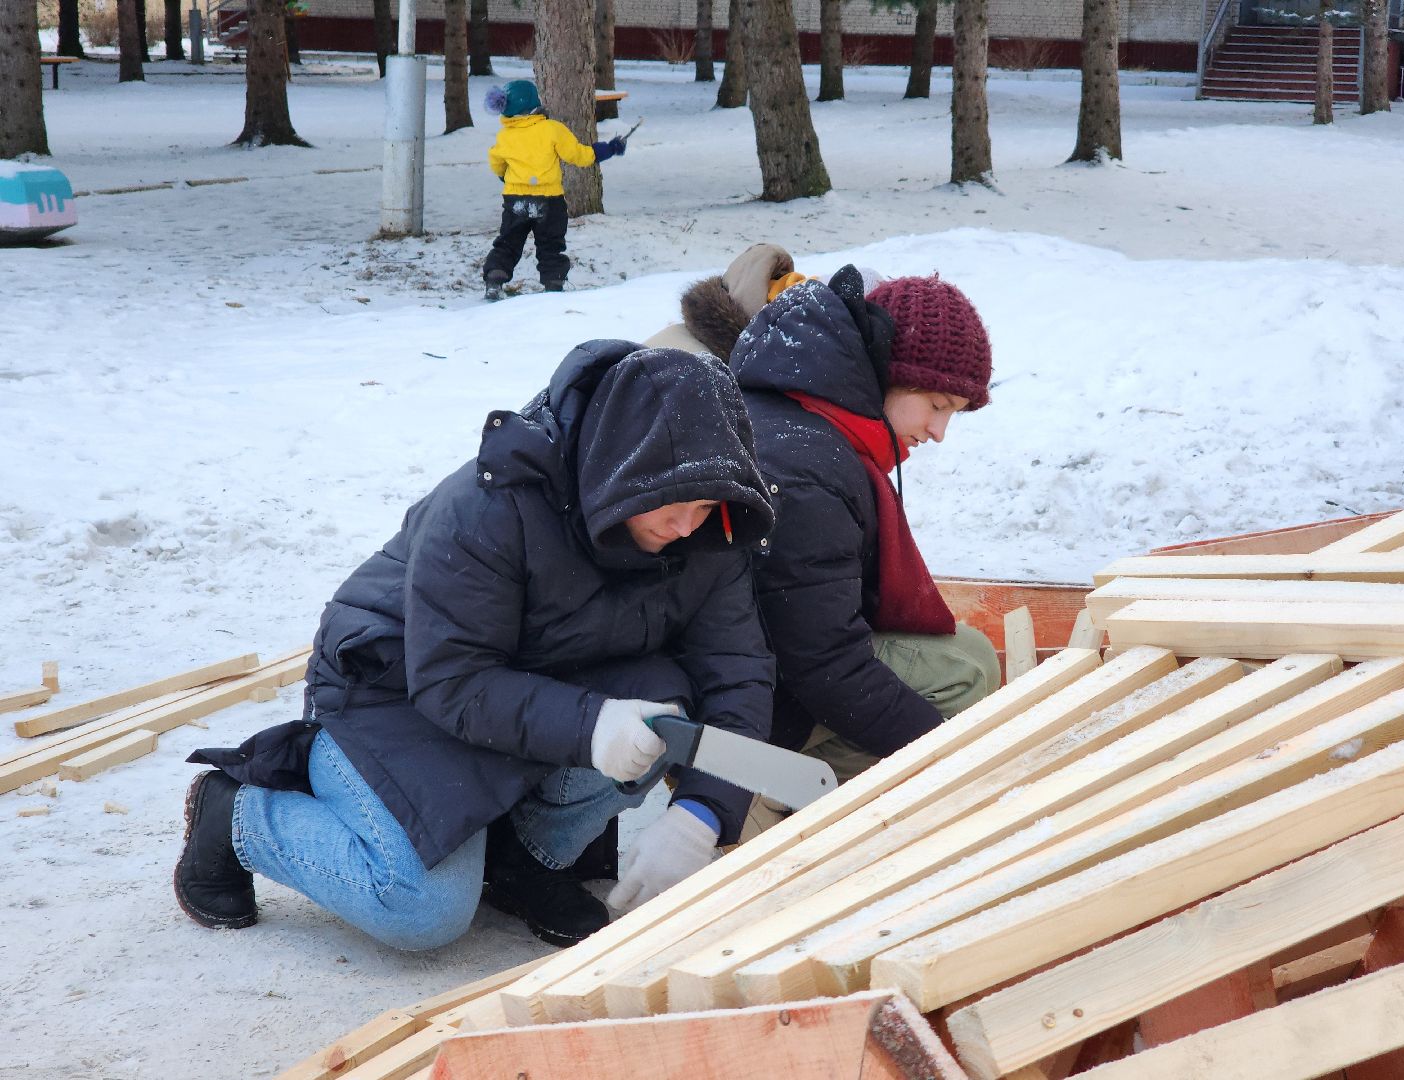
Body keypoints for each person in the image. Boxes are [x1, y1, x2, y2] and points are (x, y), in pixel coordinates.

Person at [173, 341, 777, 949]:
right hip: (397, 694)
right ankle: (238, 817)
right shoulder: (490, 508)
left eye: (704, 506)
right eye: (672, 504)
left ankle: (523, 859)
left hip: (542, 693)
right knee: (421, 911)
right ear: (623, 469)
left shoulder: (710, 534)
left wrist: (705, 812)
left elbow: (737, 670)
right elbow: (451, 679)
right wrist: (593, 726)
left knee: (662, 714)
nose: (686, 527)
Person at [654, 248, 1002, 838]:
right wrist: (952, 758)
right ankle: (781, 792)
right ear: (888, 374)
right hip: (749, 704)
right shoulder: (809, 468)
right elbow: (824, 668)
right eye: (938, 405)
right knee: (964, 676)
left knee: (967, 653)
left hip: (759, 669)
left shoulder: (807, 411)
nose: (940, 432)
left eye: (955, 415)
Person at [480, 79, 628, 301]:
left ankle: (495, 279)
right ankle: (553, 284)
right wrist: (608, 149)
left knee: (508, 241)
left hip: (515, 200)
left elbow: (496, 163)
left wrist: (506, 178)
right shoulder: (552, 129)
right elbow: (578, 154)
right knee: (550, 244)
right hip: (549, 200)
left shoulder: (505, 135)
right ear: (534, 103)